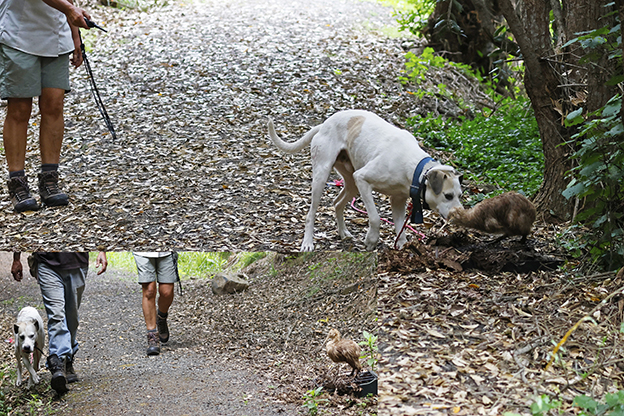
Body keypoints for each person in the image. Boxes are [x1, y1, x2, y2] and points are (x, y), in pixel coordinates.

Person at [0, 0, 91, 212]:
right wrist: (70, 11)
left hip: (56, 35)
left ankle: (50, 180)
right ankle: (17, 183)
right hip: (17, 32)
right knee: (20, 108)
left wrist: (75, 35)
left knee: (54, 104)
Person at [11, 251, 107, 394]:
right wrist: (16, 257)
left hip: (77, 262)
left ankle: (68, 358)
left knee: (71, 318)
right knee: (56, 316)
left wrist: (101, 249)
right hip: (47, 263)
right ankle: (58, 364)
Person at [133, 252, 178, 356]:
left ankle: (161, 317)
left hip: (167, 249)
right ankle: (152, 335)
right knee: (149, 290)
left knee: (167, 292)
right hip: (142, 251)